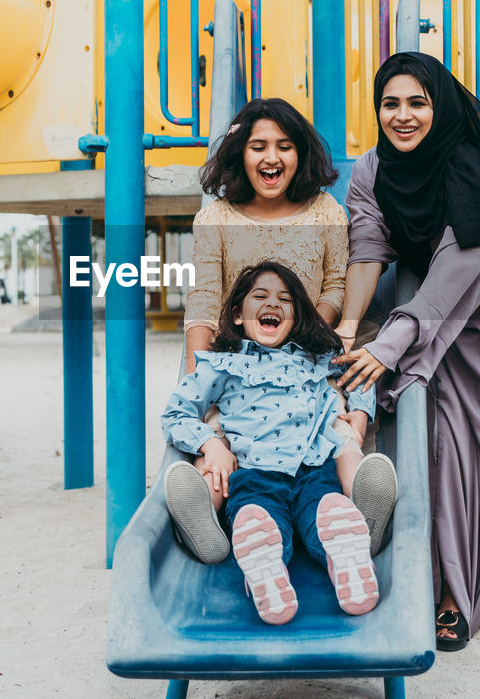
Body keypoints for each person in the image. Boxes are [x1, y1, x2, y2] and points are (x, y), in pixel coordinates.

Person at [333, 52, 480, 652]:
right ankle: (441, 584)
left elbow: (457, 265)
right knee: (435, 439)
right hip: (431, 314)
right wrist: (352, 327)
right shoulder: (370, 171)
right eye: (391, 103)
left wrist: (390, 343)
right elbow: (367, 251)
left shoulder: (468, 164)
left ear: (438, 107)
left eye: (418, 103)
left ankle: (477, 595)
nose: (403, 116)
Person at [167, 97, 397, 565]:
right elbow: (205, 301)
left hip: (312, 354)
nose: (272, 157)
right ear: (241, 155)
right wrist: (199, 376)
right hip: (239, 365)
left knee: (338, 434)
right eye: (258, 146)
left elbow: (335, 285)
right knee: (221, 439)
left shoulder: (325, 212)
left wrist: (310, 333)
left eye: (284, 146)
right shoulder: (217, 219)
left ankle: (358, 515)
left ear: (301, 154)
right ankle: (206, 521)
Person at [162, 262, 385, 625]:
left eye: (285, 299)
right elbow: (176, 412)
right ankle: (266, 570)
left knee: (326, 512)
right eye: (260, 297)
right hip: (254, 472)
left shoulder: (315, 358)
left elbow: (359, 378)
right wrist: (210, 444)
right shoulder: (222, 364)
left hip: (314, 466)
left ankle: (346, 556)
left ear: (296, 318)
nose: (274, 304)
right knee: (259, 520)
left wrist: (359, 414)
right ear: (237, 314)